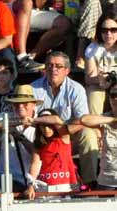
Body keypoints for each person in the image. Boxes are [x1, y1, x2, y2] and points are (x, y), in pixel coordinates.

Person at [32, 51, 99, 186]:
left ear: (67, 70)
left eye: (58, 66)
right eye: (49, 65)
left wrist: (61, 132)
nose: (53, 69)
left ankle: (89, 183)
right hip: (41, 137)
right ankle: (29, 183)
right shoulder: (33, 88)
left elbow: (82, 121)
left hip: (68, 137)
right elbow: (28, 119)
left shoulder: (76, 89)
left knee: (88, 135)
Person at [0, 84, 41, 194]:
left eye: (25, 103)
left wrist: (18, 135)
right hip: (8, 176)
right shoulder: (5, 115)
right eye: (16, 103)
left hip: (34, 178)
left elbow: (38, 153)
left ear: (34, 104)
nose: (20, 106)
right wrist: (20, 121)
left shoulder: (41, 122)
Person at [24, 109, 79, 199]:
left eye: (49, 126)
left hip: (66, 188)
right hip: (45, 188)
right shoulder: (38, 144)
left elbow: (56, 119)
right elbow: (35, 164)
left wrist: (34, 120)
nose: (46, 129)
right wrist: (30, 185)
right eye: (42, 126)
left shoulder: (64, 138)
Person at [12, 0, 72, 73]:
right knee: (26, 2)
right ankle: (21, 57)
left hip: (36, 10)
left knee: (63, 23)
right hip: (9, 7)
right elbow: (38, 3)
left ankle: (30, 57)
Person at [81, 82, 117, 190]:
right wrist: (113, 119)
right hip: (107, 181)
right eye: (113, 95)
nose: (115, 99)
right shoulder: (104, 118)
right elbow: (84, 120)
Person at [85, 7, 117, 114]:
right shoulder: (92, 48)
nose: (108, 34)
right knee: (93, 92)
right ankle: (94, 128)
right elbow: (89, 78)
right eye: (104, 30)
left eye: (113, 30)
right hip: (100, 85)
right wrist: (101, 79)